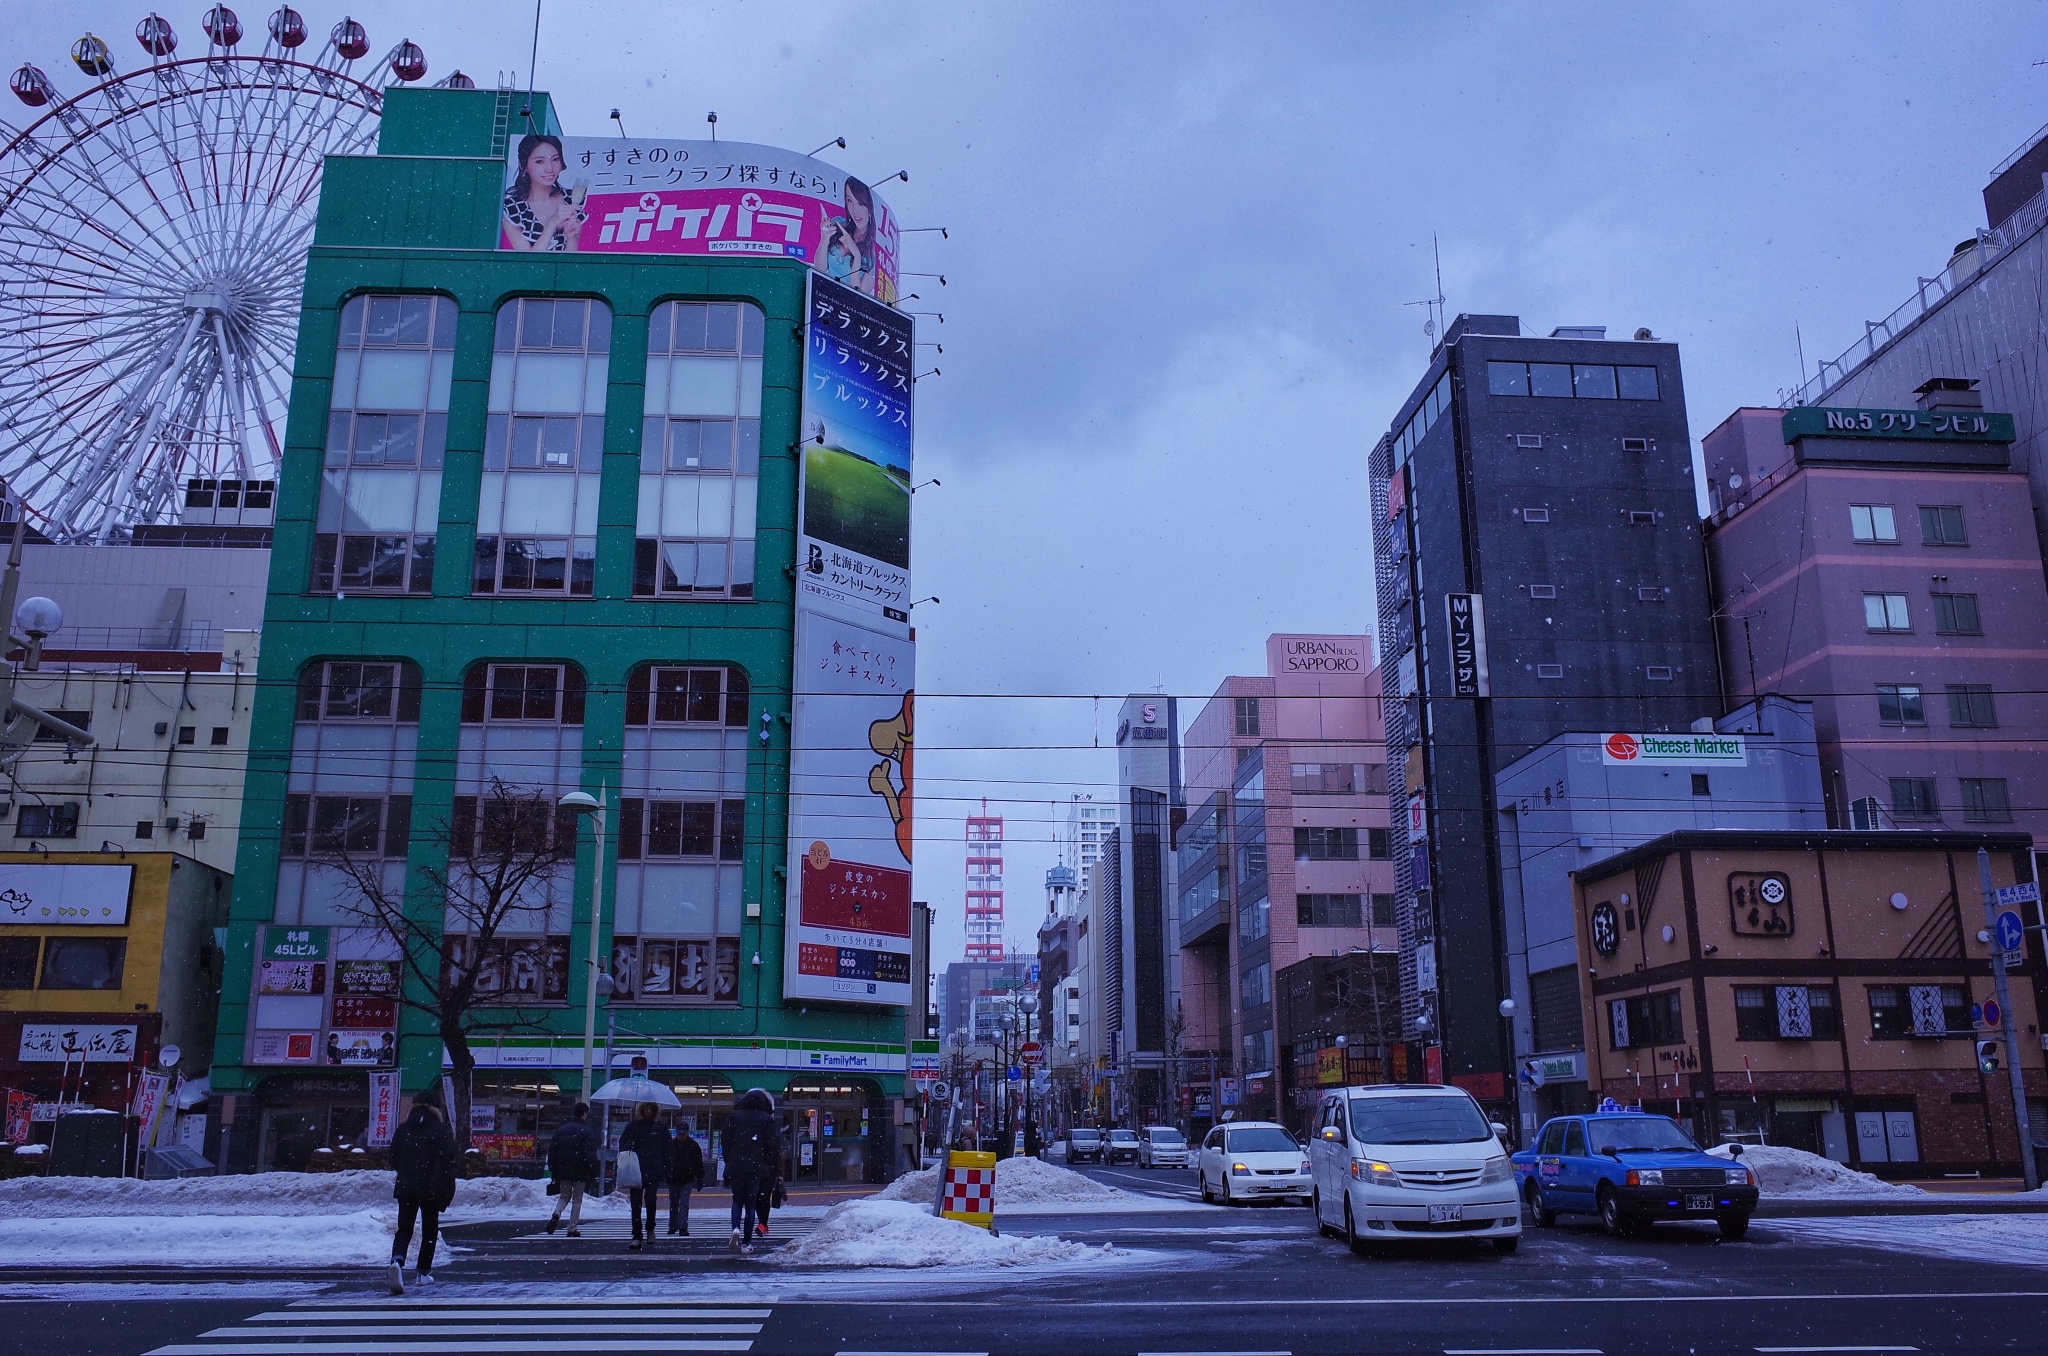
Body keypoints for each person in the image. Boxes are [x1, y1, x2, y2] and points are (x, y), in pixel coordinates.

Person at [388, 1095, 456, 1295]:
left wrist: (408, 1169)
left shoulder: (403, 1129)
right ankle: (423, 1273)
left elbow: (393, 1157)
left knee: (404, 1229)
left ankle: (397, 1262)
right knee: (429, 1230)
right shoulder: (441, 1130)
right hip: (431, 1188)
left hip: (406, 1187)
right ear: (435, 1109)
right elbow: (450, 1158)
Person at [721, 1088, 783, 1254]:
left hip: (736, 1166)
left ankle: (735, 1228)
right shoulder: (766, 1120)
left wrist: (730, 1158)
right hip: (756, 1166)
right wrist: (767, 1163)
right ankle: (746, 1243)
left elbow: (725, 1139)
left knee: (736, 1201)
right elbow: (771, 1145)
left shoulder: (734, 1117)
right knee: (750, 1204)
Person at [501, 132, 585, 253]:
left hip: (563, 271)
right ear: (523, 166)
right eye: (539, 161)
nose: (549, 168)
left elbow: (570, 259)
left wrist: (571, 236)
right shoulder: (512, 208)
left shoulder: (571, 198)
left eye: (555, 159)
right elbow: (529, 261)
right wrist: (552, 224)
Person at [616, 1101, 673, 1251]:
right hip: (636, 1169)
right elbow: (622, 1143)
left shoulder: (659, 1127)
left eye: (650, 1108)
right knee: (635, 1204)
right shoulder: (633, 1126)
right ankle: (636, 1234)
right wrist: (630, 1144)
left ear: (654, 1110)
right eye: (645, 1108)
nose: (648, 1111)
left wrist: (667, 1168)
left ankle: (650, 1228)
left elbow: (668, 1148)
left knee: (651, 1200)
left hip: (654, 1169)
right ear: (641, 1110)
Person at [545, 1102, 598, 1237]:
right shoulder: (587, 1132)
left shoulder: (562, 1130)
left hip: (563, 1170)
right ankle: (572, 1228)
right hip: (580, 1170)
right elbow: (590, 1154)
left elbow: (552, 1151)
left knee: (564, 1196)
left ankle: (556, 1214)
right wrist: (591, 1170)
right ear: (584, 1114)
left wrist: (554, 1168)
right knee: (577, 1199)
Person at [669, 1124, 706, 1236]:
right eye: (679, 1133)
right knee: (675, 1203)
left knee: (682, 1203)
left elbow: (698, 1163)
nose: (681, 1136)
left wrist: (700, 1177)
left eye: (683, 1133)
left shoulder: (692, 1146)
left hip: (686, 1178)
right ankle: (674, 1226)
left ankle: (682, 1226)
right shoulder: (672, 1145)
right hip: (675, 1177)